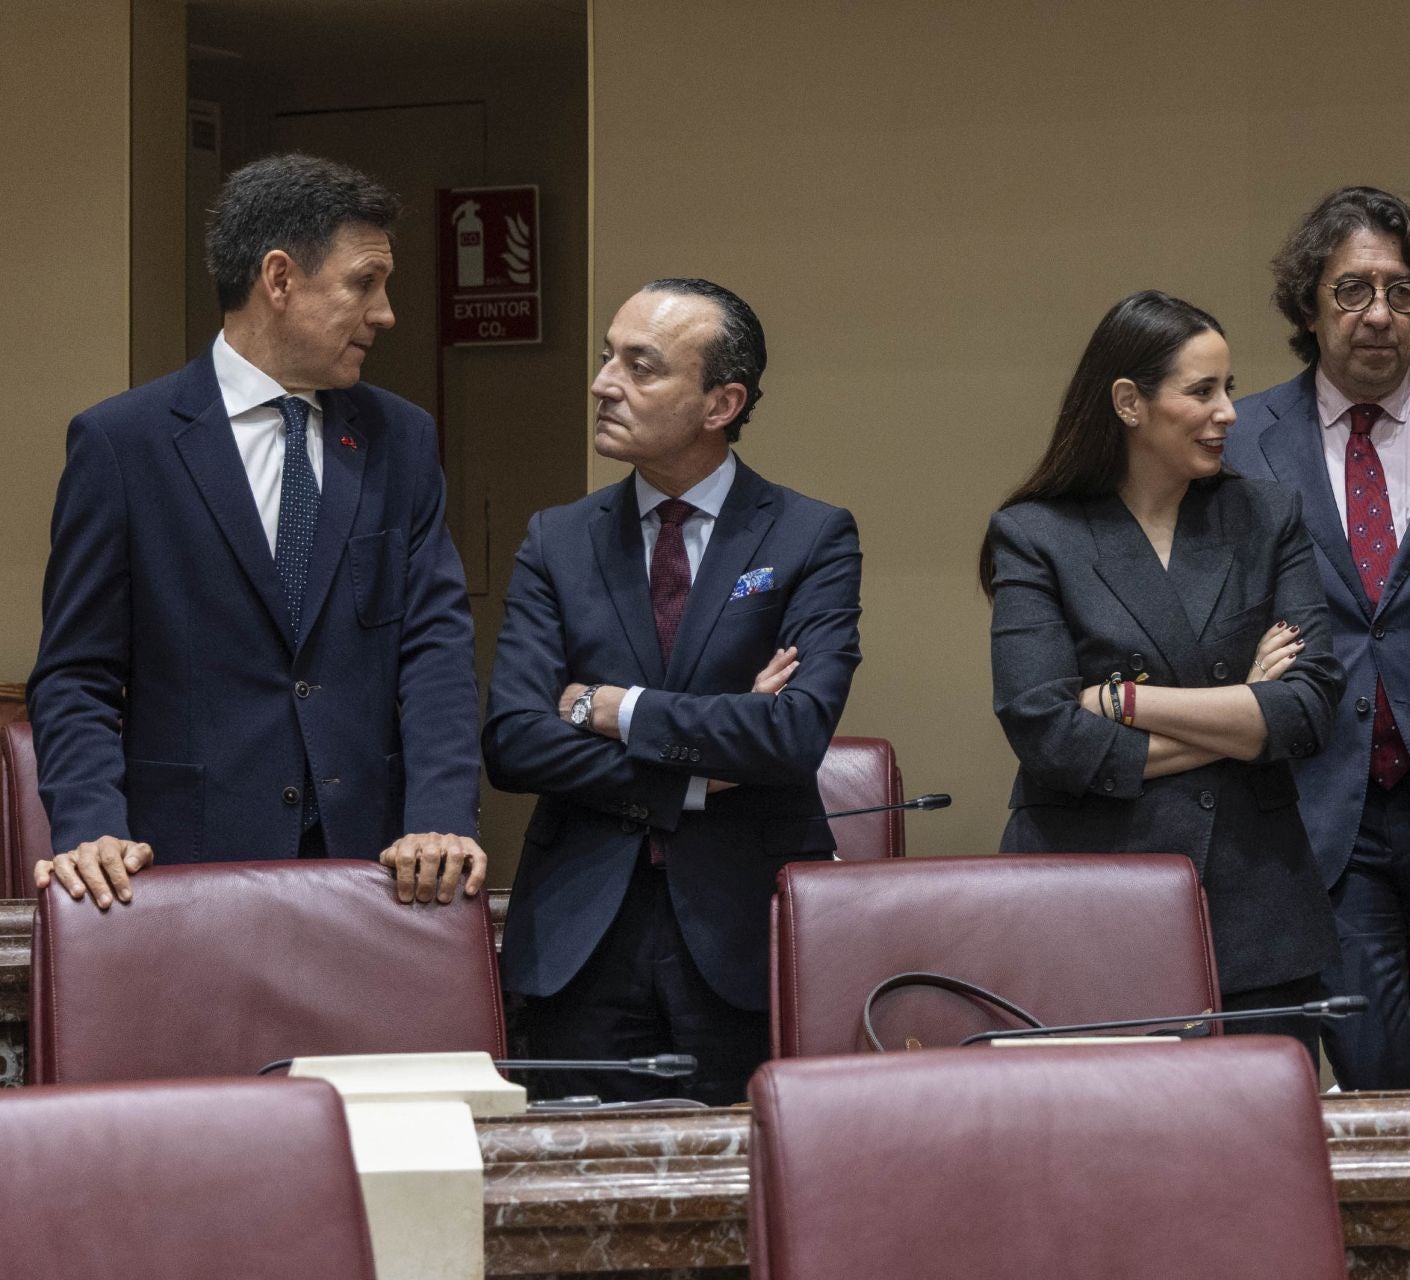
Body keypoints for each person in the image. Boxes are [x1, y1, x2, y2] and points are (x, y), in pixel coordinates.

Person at [29, 153, 486, 910]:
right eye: (363, 283)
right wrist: (90, 827)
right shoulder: (124, 443)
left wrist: (438, 818)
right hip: (185, 866)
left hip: (373, 866)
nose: (386, 313)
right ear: (279, 279)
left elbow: (435, 649)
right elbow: (76, 673)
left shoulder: (400, 438)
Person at [484, 279, 861, 1104]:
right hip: (579, 936)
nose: (603, 382)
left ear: (720, 401)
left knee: (755, 1194)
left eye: (640, 366)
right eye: (605, 357)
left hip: (741, 935)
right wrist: (694, 774)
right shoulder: (558, 539)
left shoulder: (810, 536)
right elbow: (513, 739)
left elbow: (793, 736)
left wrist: (607, 708)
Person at [982, 290, 1345, 1051]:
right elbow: (1045, 732)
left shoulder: (1267, 516)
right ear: (1128, 402)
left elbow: (1310, 709)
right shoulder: (1035, 535)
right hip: (1090, 898)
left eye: (1230, 389)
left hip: (1255, 904)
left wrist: (1120, 699)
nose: (1230, 414)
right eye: (1202, 391)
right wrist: (1245, 708)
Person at [1225, 187, 1410, 1089]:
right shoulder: (1242, 440)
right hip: (1322, 801)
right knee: (1380, 1062)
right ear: (1309, 303)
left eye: (1402, 292)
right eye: (1352, 290)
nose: (1378, 315)